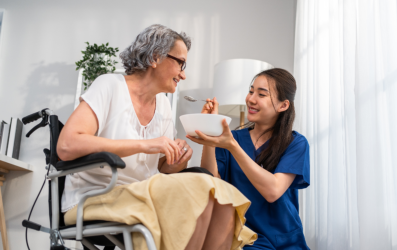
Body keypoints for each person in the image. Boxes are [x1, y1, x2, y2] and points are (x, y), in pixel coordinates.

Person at [57, 24, 256, 250]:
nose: (183, 73)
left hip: (143, 192)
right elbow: (67, 145)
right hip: (95, 198)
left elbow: (162, 169)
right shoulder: (109, 86)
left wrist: (177, 158)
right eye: (180, 63)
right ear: (155, 57)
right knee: (202, 188)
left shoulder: (162, 104)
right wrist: (145, 144)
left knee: (222, 199)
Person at [187, 68, 310, 249]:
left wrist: (232, 147)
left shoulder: (295, 143)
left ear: (283, 105)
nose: (251, 99)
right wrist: (210, 132)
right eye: (251, 91)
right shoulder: (233, 138)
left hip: (284, 241)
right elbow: (212, 182)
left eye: (261, 94)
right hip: (243, 237)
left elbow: (273, 191)